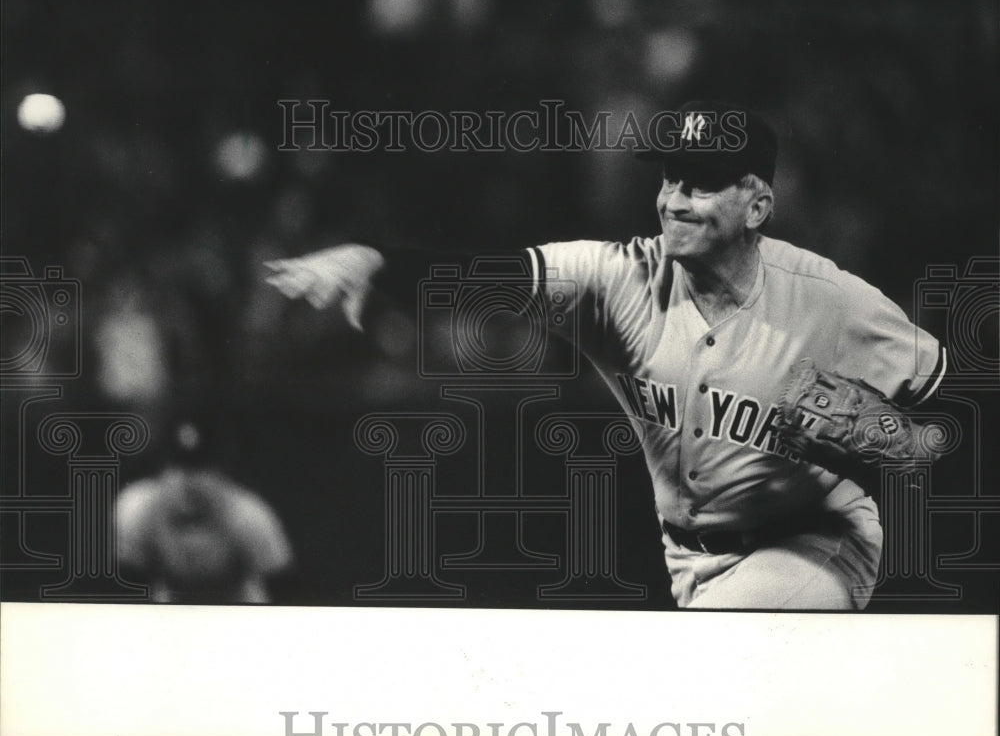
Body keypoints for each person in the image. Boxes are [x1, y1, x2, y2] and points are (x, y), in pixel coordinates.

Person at [265, 100, 946, 610]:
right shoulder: (616, 279)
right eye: (671, 179)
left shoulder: (830, 298)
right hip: (687, 560)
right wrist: (375, 259)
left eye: (702, 184)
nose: (675, 200)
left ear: (759, 203)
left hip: (816, 545)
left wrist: (890, 435)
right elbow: (483, 274)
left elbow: (945, 408)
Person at [115, 421, 295, 603]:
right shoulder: (139, 506)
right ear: (161, 470)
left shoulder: (249, 514)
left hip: (236, 608)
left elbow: (282, 587)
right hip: (171, 606)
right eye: (179, 466)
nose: (189, 481)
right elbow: (127, 587)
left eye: (201, 467)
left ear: (223, 473)